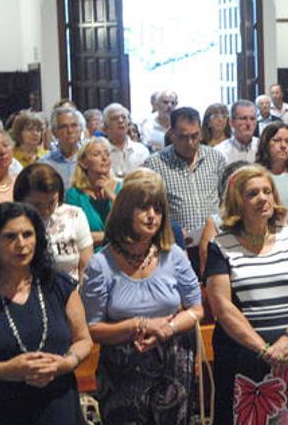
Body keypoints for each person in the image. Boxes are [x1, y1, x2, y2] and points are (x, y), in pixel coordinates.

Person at [0, 202, 92, 424]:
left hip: (57, 410)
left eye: (27, 234)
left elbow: (83, 340)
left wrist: (65, 364)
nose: (21, 244)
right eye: (10, 237)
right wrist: (5, 370)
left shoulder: (57, 286)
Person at [81, 175, 203, 424]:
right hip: (122, 369)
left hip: (173, 363)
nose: (152, 216)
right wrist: (140, 325)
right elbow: (92, 328)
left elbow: (196, 309)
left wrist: (166, 329)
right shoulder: (100, 264)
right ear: (126, 211)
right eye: (144, 208)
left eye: (158, 209)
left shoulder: (174, 255)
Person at [204, 165, 288, 424]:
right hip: (242, 359)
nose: (263, 198)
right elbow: (222, 307)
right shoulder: (220, 245)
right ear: (238, 202)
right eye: (253, 193)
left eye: (267, 191)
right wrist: (264, 350)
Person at [144, 107, 226, 274]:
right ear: (172, 134)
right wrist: (170, 227)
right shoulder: (155, 164)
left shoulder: (215, 158)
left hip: (214, 243)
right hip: (175, 246)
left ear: (202, 133)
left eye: (195, 136)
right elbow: (149, 207)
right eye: (183, 137)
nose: (190, 143)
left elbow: (226, 199)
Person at [15, 163, 93, 282]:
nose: (45, 211)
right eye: (36, 205)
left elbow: (86, 267)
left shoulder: (75, 215)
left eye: (51, 202)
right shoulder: (12, 223)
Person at [64, 137, 120, 251]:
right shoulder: (74, 195)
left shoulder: (122, 188)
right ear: (83, 163)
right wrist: (114, 237)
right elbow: (75, 237)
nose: (104, 158)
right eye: (97, 154)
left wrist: (113, 198)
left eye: (107, 154)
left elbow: (131, 229)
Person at [41, 106, 86, 190]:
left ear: (80, 130)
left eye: (74, 125)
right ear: (54, 132)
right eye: (63, 127)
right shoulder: (45, 164)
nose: (70, 131)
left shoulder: (89, 159)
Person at [103, 103, 149, 178]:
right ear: (105, 126)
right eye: (115, 118)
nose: (120, 121)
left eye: (124, 118)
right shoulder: (101, 151)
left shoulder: (141, 150)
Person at [215, 100, 259, 164]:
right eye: (243, 118)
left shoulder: (263, 147)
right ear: (231, 122)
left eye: (252, 118)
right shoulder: (220, 152)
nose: (248, 123)